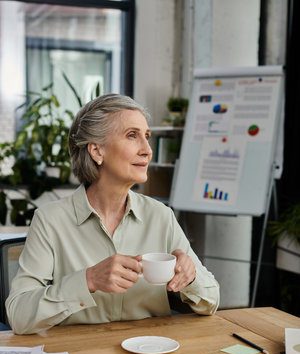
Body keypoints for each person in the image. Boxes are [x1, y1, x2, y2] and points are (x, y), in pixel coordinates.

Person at [6, 94, 219, 335]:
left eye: (147, 137)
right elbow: (19, 316)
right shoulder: (50, 220)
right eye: (132, 135)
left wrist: (190, 277)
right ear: (97, 151)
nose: (147, 150)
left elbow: (211, 301)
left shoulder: (162, 216)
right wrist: (88, 280)